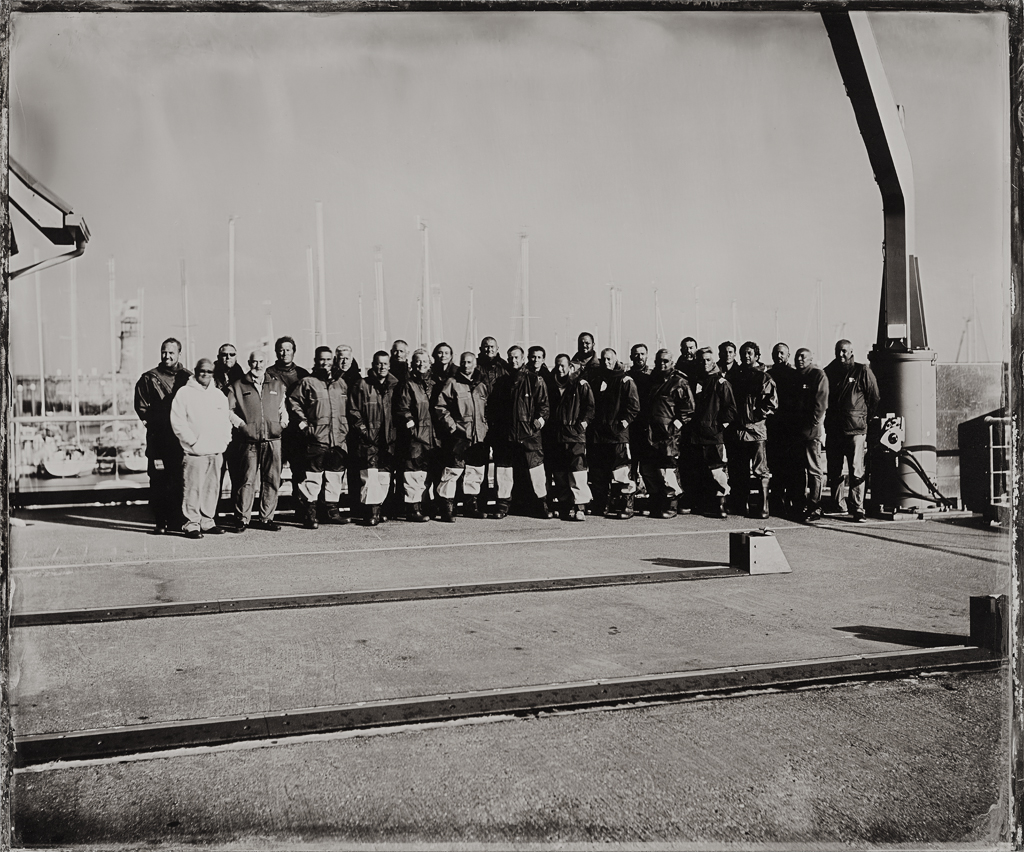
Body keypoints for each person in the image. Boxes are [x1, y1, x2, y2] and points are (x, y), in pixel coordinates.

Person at [170, 358, 238, 538]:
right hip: (194, 453)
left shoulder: (219, 395)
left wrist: (224, 441)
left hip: (216, 451)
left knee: (211, 488)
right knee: (192, 489)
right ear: (195, 370)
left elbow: (226, 421)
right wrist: (192, 442)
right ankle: (191, 524)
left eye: (209, 371)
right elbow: (177, 421)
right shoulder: (184, 393)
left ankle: (207, 522)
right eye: (202, 370)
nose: (205, 374)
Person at [287, 346, 351, 529]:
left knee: (334, 475)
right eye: (322, 359)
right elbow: (293, 402)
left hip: (338, 438)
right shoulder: (307, 382)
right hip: (316, 438)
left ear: (333, 361)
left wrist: (344, 429)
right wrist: (304, 425)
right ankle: (310, 513)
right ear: (315, 361)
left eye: (329, 359)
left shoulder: (340, 383)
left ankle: (331, 511)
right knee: (312, 476)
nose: (325, 363)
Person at [226, 350, 288, 532]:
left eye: (261, 362)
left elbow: (282, 408)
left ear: (266, 362)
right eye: (254, 362)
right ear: (249, 362)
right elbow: (228, 410)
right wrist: (242, 426)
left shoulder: (277, 385)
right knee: (246, 479)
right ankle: (242, 518)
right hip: (249, 440)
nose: (257, 365)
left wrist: (282, 424)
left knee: (271, 479)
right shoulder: (238, 385)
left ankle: (266, 518)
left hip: (273, 439)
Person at [134, 337, 191, 534]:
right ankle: (160, 521)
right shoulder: (149, 378)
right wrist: (154, 424)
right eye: (164, 352)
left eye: (171, 353)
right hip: (158, 439)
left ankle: (177, 519)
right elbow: (141, 407)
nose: (167, 356)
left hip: (180, 439)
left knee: (179, 479)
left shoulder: (188, 378)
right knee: (158, 480)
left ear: (179, 354)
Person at [488, 345, 552, 519]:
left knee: (536, 470)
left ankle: (542, 503)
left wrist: (536, 425)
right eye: (510, 357)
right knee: (504, 470)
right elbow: (494, 408)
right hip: (507, 435)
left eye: (516, 357)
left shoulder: (535, 380)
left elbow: (544, 407)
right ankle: (503, 504)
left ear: (523, 359)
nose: (513, 360)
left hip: (529, 435)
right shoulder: (502, 382)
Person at [823, 339, 880, 522]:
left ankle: (857, 508)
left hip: (856, 431)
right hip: (834, 429)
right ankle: (838, 505)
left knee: (856, 469)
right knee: (835, 469)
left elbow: (874, 397)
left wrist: (863, 419)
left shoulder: (862, 371)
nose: (841, 354)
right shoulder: (828, 372)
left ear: (851, 352)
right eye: (838, 351)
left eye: (844, 351)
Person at [635, 348, 695, 519]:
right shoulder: (650, 381)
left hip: (668, 435)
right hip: (649, 433)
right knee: (648, 469)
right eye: (659, 361)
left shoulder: (679, 382)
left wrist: (675, 426)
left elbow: (688, 409)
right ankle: (655, 500)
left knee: (667, 470)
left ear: (672, 362)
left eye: (666, 361)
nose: (662, 364)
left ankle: (671, 503)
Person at [434, 352, 490, 523]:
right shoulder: (452, 383)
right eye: (463, 362)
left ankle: (470, 505)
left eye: (469, 362)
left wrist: (486, 427)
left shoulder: (482, 385)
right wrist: (452, 427)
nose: (466, 365)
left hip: (479, 436)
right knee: (453, 470)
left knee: (475, 470)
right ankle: (447, 507)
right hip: (460, 435)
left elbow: (488, 408)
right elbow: (440, 407)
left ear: (475, 364)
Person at [727, 341, 778, 519]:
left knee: (760, 469)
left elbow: (772, 404)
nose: (746, 356)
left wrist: (755, 416)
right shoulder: (735, 376)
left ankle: (763, 507)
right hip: (738, 430)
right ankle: (740, 504)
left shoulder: (764, 378)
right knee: (738, 469)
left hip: (756, 430)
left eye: (749, 353)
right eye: (743, 353)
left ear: (757, 355)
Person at [587, 348, 640, 518]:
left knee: (621, 471)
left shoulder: (625, 380)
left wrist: (621, 425)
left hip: (618, 437)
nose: (606, 362)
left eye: (609, 359)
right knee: (599, 473)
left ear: (616, 360)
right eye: (603, 359)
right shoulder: (597, 380)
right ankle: (601, 504)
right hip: (599, 437)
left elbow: (633, 407)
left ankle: (625, 506)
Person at [349, 350, 400, 526]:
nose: (382, 367)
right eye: (379, 363)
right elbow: (353, 411)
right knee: (369, 476)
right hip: (368, 439)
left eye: (385, 363)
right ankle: (370, 511)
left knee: (384, 477)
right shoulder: (362, 385)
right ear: (373, 365)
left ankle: (380, 509)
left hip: (388, 440)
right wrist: (364, 431)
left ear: (389, 365)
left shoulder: (395, 386)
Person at [543, 354, 595, 521]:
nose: (560, 369)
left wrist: (582, 425)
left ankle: (580, 506)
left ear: (570, 367)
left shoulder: (580, 384)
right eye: (557, 365)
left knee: (577, 471)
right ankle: (566, 505)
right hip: (557, 436)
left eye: (563, 366)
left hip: (575, 436)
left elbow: (590, 408)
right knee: (560, 473)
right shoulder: (551, 385)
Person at [690, 347, 737, 518]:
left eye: (708, 360)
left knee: (717, 470)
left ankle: (721, 504)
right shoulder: (696, 381)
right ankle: (705, 503)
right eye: (702, 360)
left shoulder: (721, 383)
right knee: (700, 470)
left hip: (714, 436)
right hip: (697, 435)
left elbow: (730, 409)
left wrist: (718, 427)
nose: (705, 363)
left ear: (714, 361)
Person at [265, 336, 310, 515]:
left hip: (297, 432)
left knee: (300, 471)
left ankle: (301, 508)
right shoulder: (268, 373)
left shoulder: (302, 374)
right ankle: (268, 511)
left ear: (294, 352)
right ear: (276, 352)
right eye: (281, 350)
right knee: (273, 472)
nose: (284, 353)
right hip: (277, 430)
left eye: (288, 350)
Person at [394, 348, 437, 522]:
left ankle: (425, 504)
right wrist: (412, 429)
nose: (421, 364)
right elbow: (402, 409)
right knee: (413, 472)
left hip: (432, 436)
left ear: (430, 363)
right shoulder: (408, 384)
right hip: (416, 437)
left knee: (427, 473)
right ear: (412, 364)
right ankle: (412, 508)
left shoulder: (434, 384)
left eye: (424, 361)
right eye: (417, 361)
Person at [791, 348, 829, 521]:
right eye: (797, 356)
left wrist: (813, 424)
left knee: (814, 469)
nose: (799, 359)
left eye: (803, 356)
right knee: (798, 469)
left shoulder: (818, 375)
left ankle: (815, 505)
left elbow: (820, 404)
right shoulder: (795, 376)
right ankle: (799, 504)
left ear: (811, 358)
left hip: (811, 432)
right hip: (796, 431)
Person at [213, 342, 247, 510]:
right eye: (224, 354)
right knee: (215, 475)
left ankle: (237, 512)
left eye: (231, 354)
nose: (228, 357)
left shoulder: (243, 377)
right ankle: (212, 512)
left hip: (236, 433)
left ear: (236, 356)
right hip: (216, 432)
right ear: (219, 357)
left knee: (238, 474)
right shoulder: (210, 376)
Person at [766, 342, 798, 515]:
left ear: (788, 355)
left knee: (791, 466)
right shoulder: (768, 375)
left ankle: (792, 500)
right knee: (775, 465)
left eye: (782, 353)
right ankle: (776, 500)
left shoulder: (794, 375)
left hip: (790, 426)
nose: (779, 356)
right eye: (776, 353)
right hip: (774, 426)